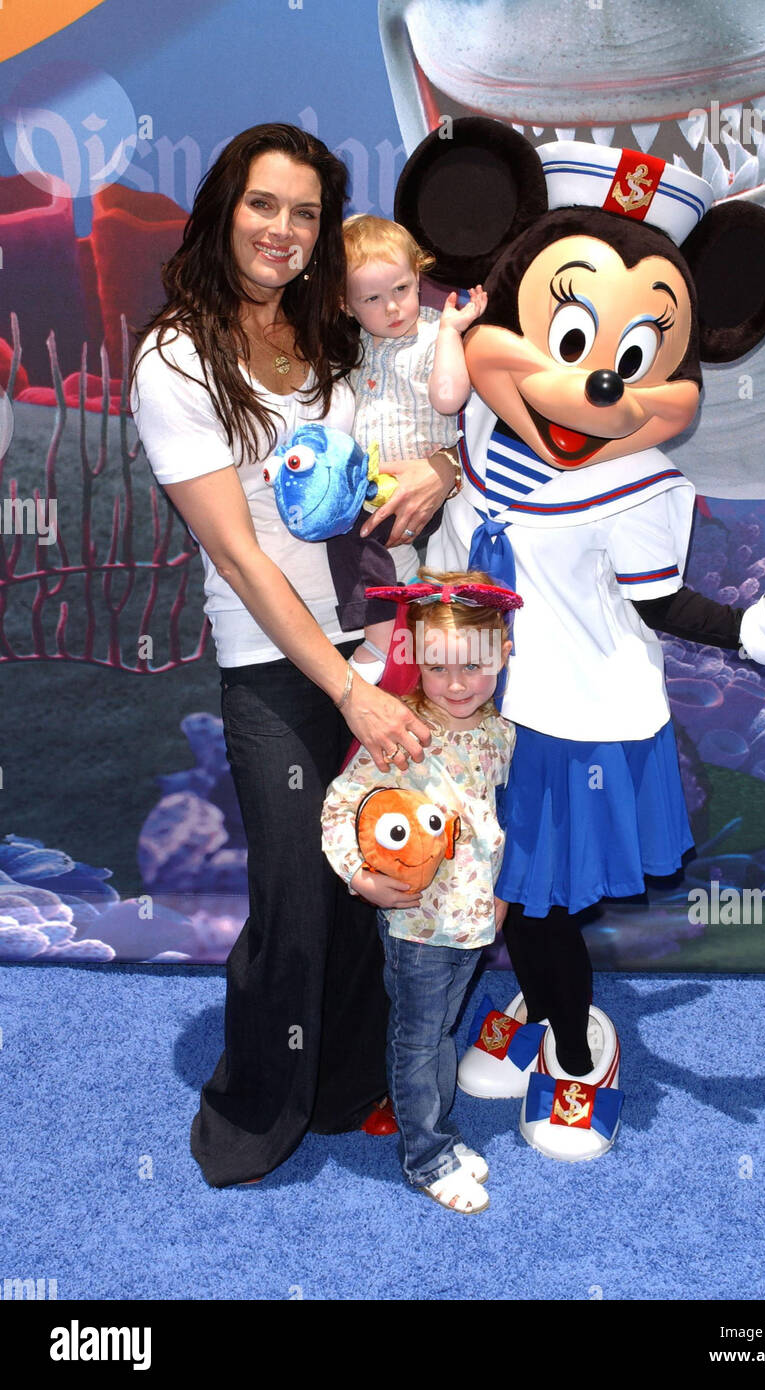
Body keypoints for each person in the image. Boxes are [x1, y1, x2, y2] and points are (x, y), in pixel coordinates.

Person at [129, 123, 459, 1188]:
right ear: (225, 208)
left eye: (305, 212)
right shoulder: (176, 358)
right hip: (285, 663)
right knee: (298, 896)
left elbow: (411, 437)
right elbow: (238, 553)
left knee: (380, 874)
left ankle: (350, 1081)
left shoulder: (334, 332)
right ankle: (255, 1106)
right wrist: (348, 691)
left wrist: (440, 479)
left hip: (386, 630)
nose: (283, 229)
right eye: (264, 204)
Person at [321, 569, 518, 1213]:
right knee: (417, 1037)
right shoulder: (402, 735)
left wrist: (503, 893)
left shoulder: (497, 732)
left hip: (474, 922)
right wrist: (359, 877)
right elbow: (341, 804)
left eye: (475, 665)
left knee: (438, 1032)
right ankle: (425, 1156)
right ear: (416, 662)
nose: (457, 684)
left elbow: (495, 822)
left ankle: (439, 1134)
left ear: (504, 652)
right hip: (417, 924)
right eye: (438, 668)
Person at [326, 214, 486, 684]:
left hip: (431, 488)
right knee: (346, 529)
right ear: (346, 305)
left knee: (366, 537)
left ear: (418, 275)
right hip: (376, 490)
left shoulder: (438, 333)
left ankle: (378, 636)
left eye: (400, 288)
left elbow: (449, 398)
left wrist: (453, 335)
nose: (392, 307)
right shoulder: (351, 349)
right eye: (372, 299)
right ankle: (391, 616)